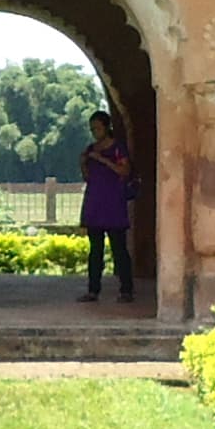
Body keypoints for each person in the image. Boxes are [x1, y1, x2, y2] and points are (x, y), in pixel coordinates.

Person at [77, 109, 136, 301]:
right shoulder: (90, 149)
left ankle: (126, 289)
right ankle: (93, 289)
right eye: (92, 129)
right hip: (95, 203)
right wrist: (84, 164)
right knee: (95, 250)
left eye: (97, 128)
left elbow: (124, 171)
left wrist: (102, 159)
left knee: (119, 248)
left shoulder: (117, 148)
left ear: (106, 127)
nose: (94, 132)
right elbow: (87, 176)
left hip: (113, 204)